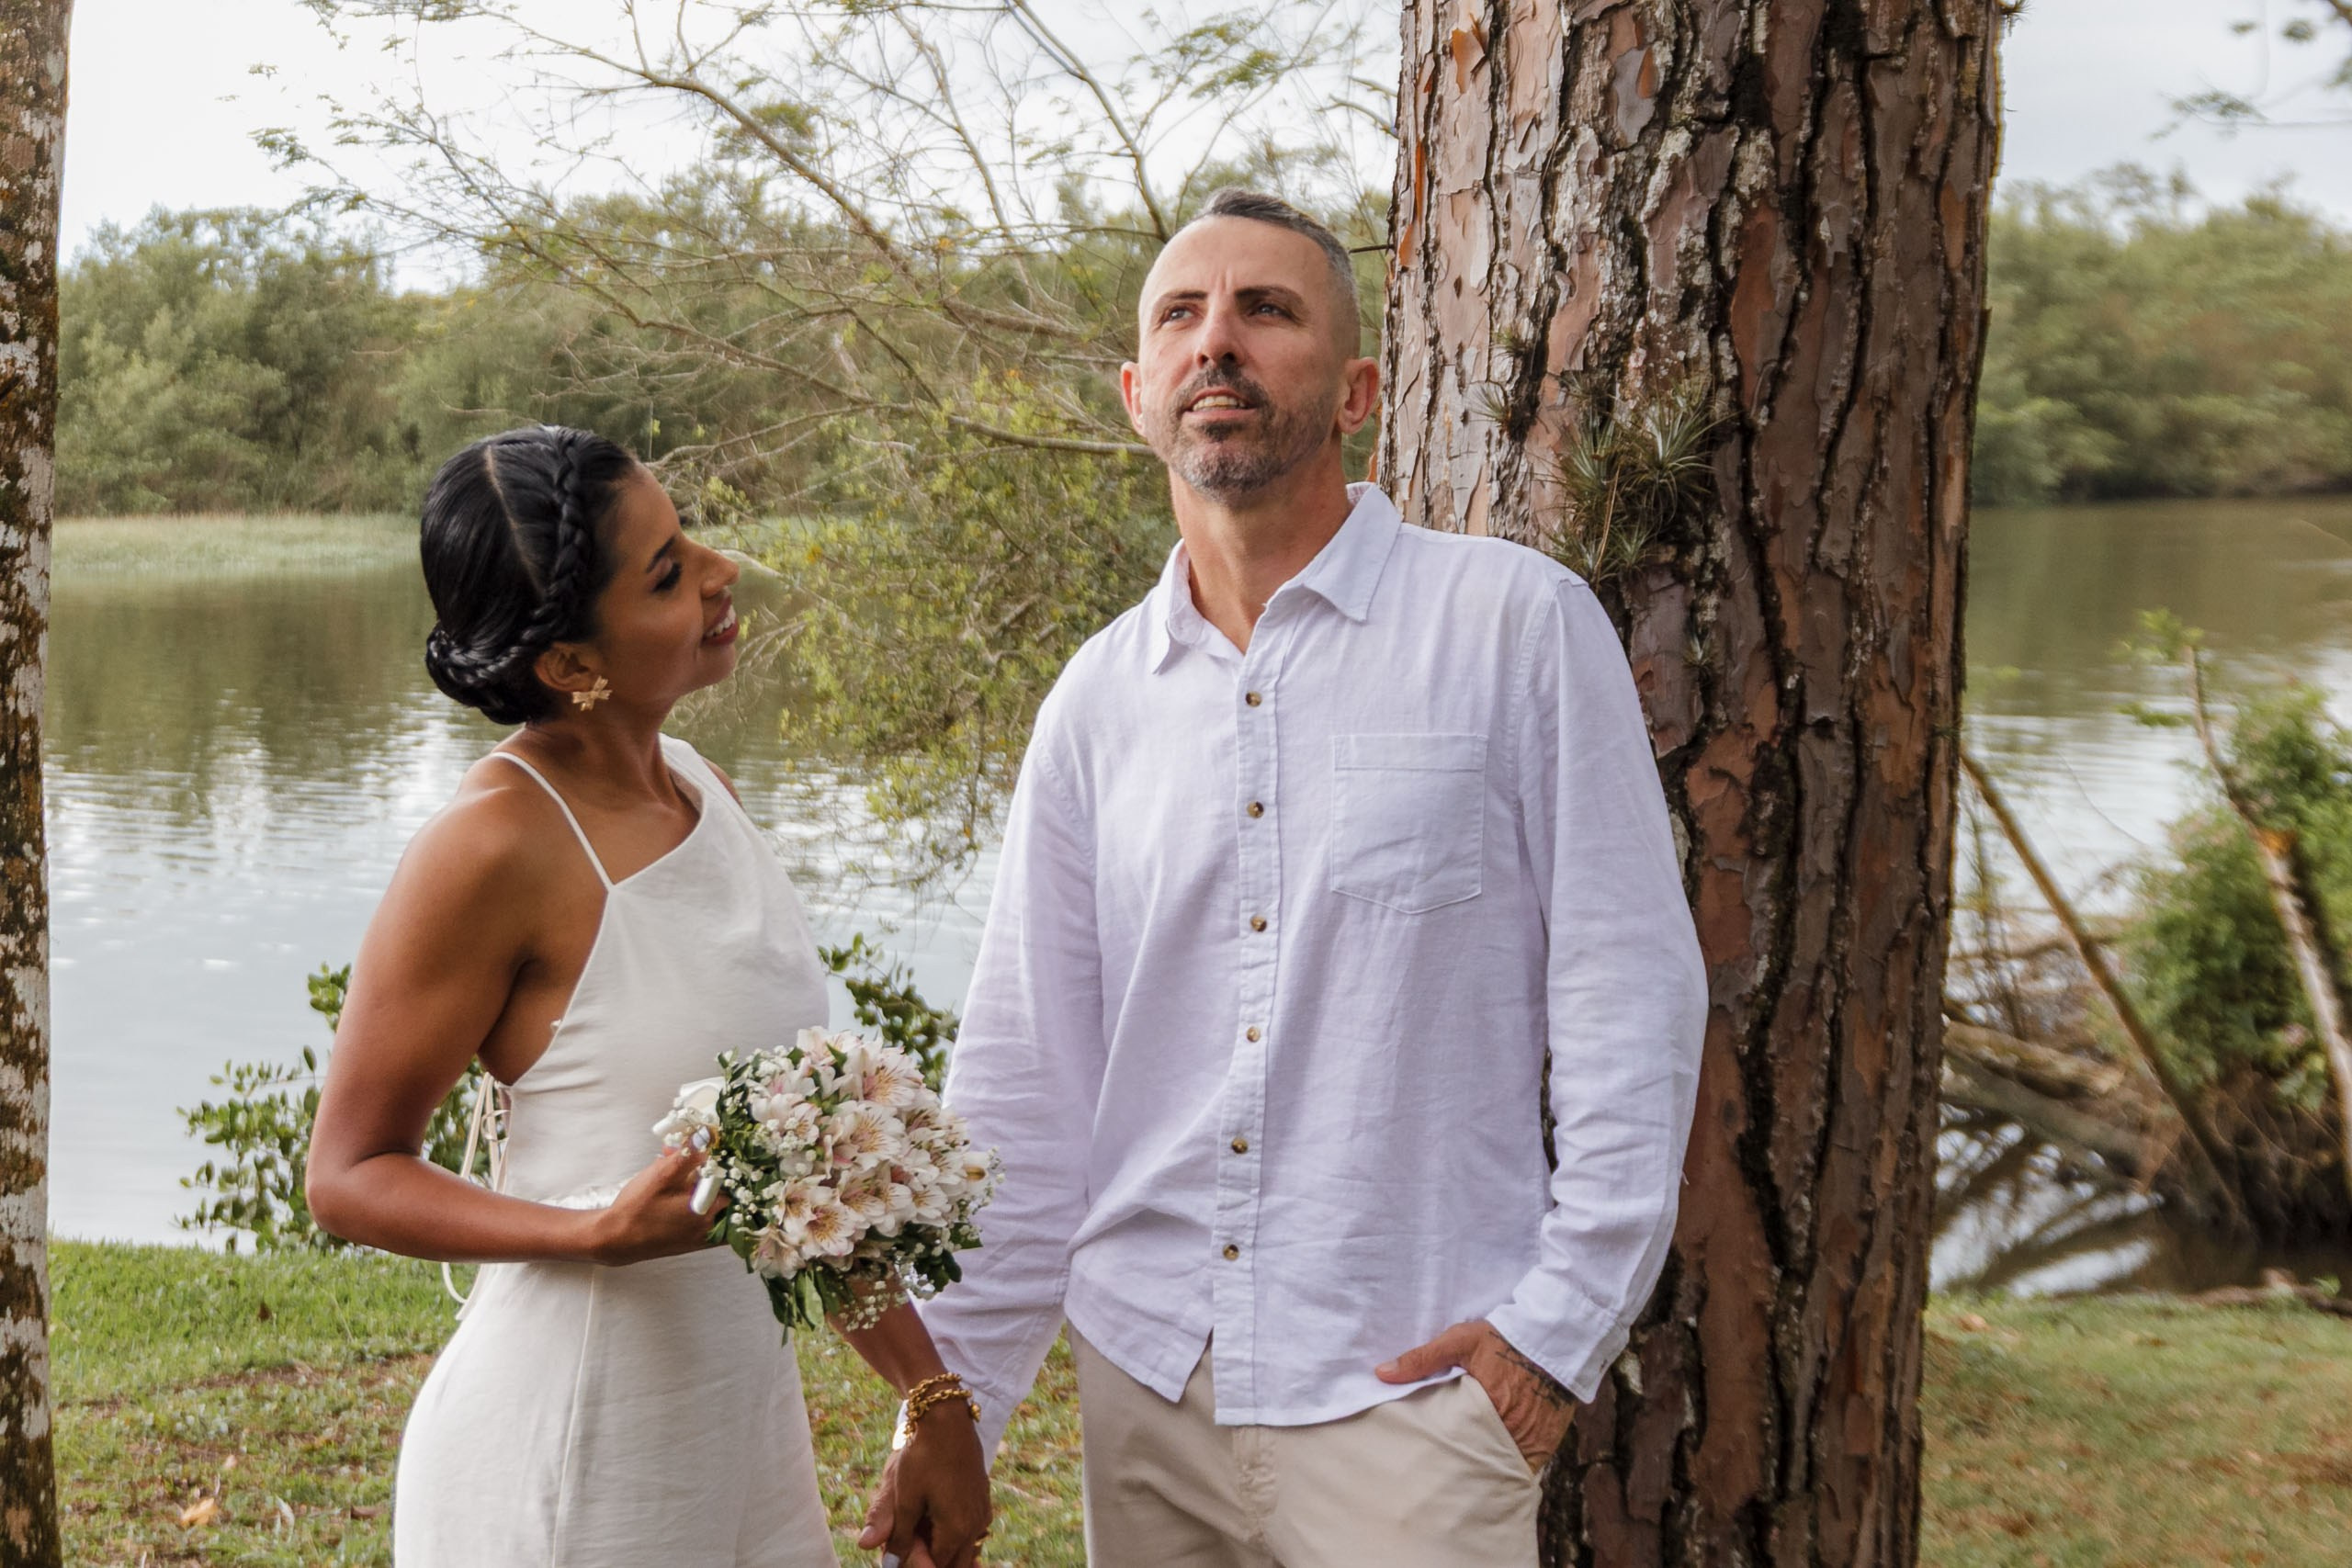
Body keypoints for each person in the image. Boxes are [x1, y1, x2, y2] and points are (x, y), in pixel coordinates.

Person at [860, 189, 1710, 1566]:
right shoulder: (1096, 701)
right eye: (1182, 317)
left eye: (1269, 309)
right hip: (1147, 1391)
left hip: (1413, 1400)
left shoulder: (1514, 627)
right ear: (1138, 393)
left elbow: (1631, 1001)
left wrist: (1554, 1338)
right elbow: (1028, 1077)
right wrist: (953, 1394)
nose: (1220, 345)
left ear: (1359, 387)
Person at [305, 426, 990, 1568]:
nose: (721, 570)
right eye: (668, 570)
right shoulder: (492, 848)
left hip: (741, 1444)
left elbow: (796, 1171)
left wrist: (932, 1397)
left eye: (690, 537)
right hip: (569, 1463)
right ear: (572, 665)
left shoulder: (706, 793)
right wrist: (592, 1234)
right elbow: (349, 1174)